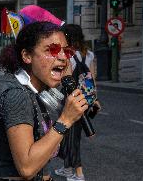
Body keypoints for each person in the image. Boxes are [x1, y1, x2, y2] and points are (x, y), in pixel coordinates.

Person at [0, 21, 88, 181]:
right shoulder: (17, 95)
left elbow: (54, 150)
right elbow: (27, 167)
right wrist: (65, 120)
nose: (63, 57)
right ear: (27, 56)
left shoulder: (41, 93)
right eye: (53, 50)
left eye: (67, 51)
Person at [55, 24, 101, 181]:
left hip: (71, 99)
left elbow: (62, 80)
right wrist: (94, 99)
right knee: (69, 135)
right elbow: (92, 78)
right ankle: (67, 168)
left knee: (71, 137)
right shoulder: (89, 54)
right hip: (86, 99)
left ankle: (78, 173)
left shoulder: (68, 56)